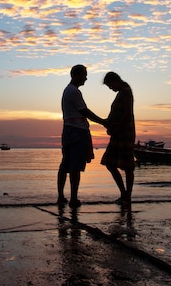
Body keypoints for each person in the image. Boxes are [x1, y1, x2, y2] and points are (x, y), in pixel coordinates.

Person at [58, 64, 106, 208]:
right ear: (77, 75)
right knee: (75, 166)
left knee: (65, 164)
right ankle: (73, 198)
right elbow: (85, 111)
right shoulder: (74, 92)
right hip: (77, 132)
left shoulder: (68, 91)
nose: (86, 78)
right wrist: (103, 121)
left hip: (68, 131)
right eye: (84, 75)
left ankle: (61, 196)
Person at [100, 72, 136, 206]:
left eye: (110, 86)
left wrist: (116, 128)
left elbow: (127, 114)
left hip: (124, 133)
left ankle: (127, 196)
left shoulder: (125, 92)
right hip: (118, 133)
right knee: (110, 163)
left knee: (127, 166)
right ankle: (124, 194)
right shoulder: (122, 92)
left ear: (115, 81)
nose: (111, 89)